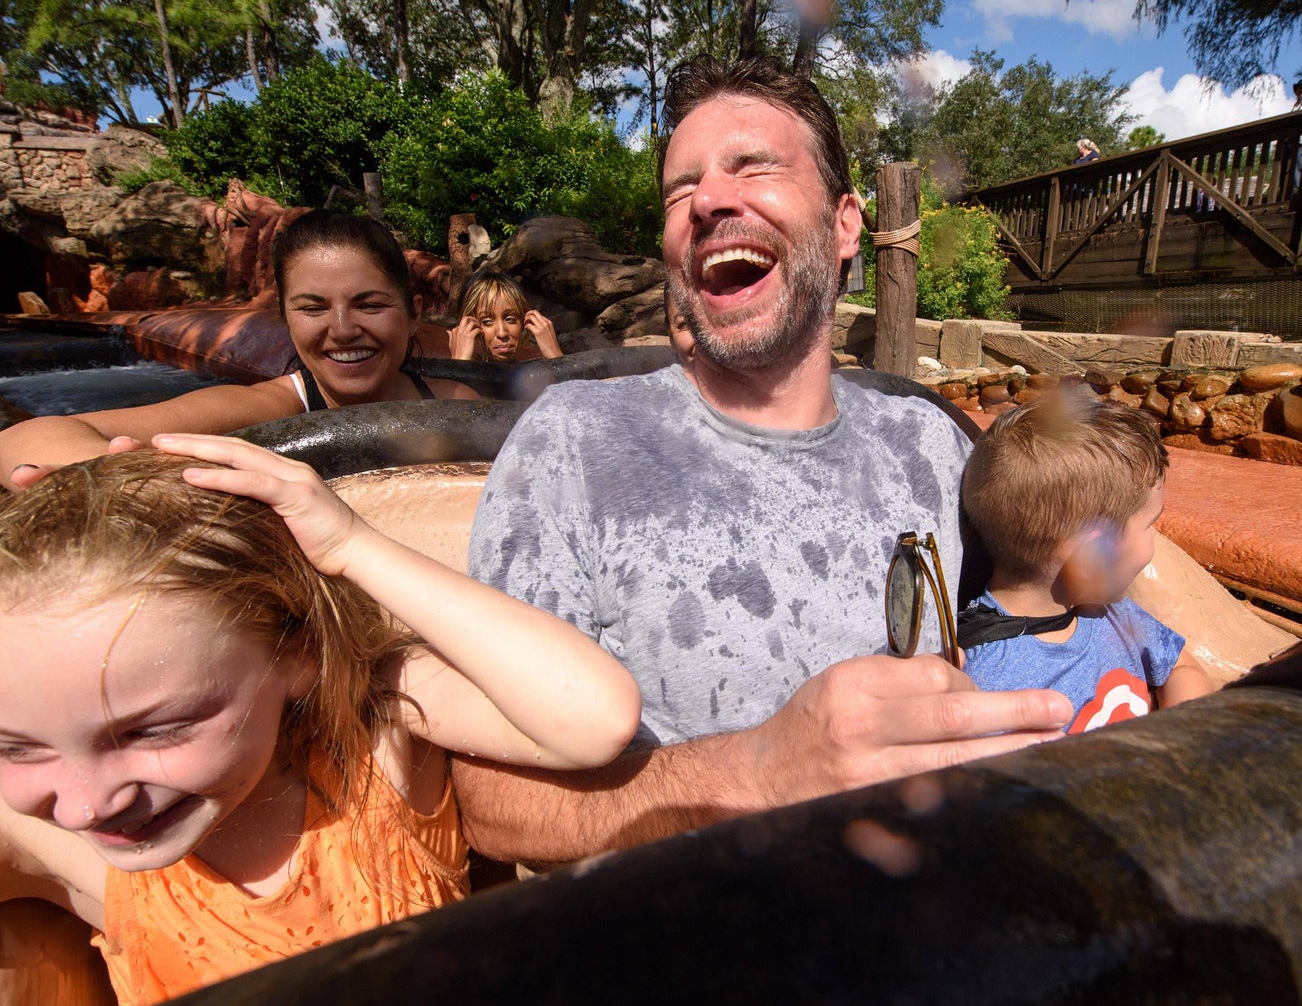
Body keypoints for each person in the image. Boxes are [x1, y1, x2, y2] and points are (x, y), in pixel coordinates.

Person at [451, 54, 1073, 870]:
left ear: (845, 225)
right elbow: (493, 802)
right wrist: (758, 773)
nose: (707, 200)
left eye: (753, 166)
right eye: (680, 191)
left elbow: (1057, 621)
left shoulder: (929, 443)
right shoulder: (575, 443)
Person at [0, 437, 639, 1004]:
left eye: (153, 731)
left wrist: (350, 543)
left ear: (296, 652)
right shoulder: (46, 836)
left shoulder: (373, 735)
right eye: (16, 747)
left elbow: (590, 718)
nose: (84, 804)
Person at [0, 210, 480, 492]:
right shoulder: (267, 407)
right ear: (285, 318)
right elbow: (14, 441)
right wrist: (121, 481)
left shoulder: (456, 402)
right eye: (312, 308)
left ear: (414, 313)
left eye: (369, 304)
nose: (343, 329)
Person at [957, 395, 1213, 733]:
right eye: (1150, 524)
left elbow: (1181, 669)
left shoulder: (1112, 614)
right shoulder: (986, 682)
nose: (1156, 536)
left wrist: (1180, 738)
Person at [446, 269, 564, 363]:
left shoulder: (536, 375)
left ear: (524, 322)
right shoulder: (442, 379)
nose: (502, 334)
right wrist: (460, 364)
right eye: (487, 321)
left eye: (510, 319)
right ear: (466, 326)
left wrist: (554, 355)